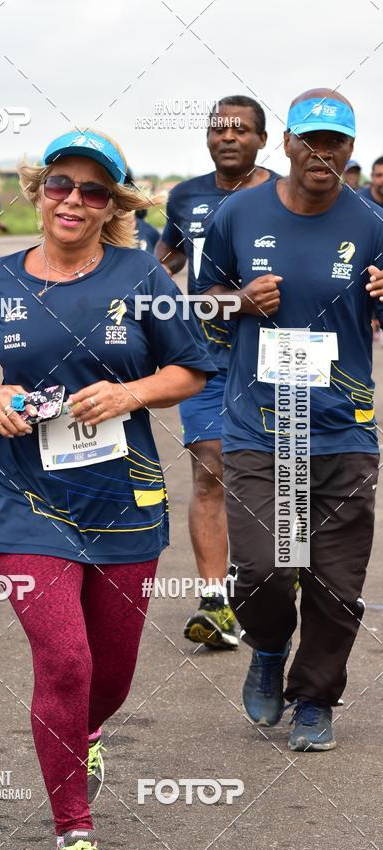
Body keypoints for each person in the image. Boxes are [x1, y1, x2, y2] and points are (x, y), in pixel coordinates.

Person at [0, 130, 216, 850]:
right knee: (64, 660)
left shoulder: (141, 276)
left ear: (113, 206)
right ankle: (74, 833)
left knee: (111, 674)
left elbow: (193, 368)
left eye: (94, 190)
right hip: (26, 499)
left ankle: (87, 732)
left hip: (125, 500)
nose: (74, 199)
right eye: (61, 183)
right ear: (37, 192)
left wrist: (131, 393)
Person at [197, 88, 383, 752]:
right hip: (259, 428)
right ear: (287, 144)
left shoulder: (372, 221)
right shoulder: (239, 213)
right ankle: (269, 647)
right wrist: (238, 301)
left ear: (350, 150)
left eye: (335, 142)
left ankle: (314, 699)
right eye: (310, 139)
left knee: (336, 585)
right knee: (267, 568)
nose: (321, 153)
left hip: (343, 427)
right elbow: (199, 302)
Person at [155, 96, 278, 650]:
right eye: (217, 129)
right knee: (210, 469)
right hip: (203, 355)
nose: (227, 137)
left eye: (240, 130)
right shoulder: (185, 196)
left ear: (262, 139)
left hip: (273, 356)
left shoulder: (285, 194)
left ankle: (261, 586)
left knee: (274, 478)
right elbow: (166, 260)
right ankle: (214, 601)